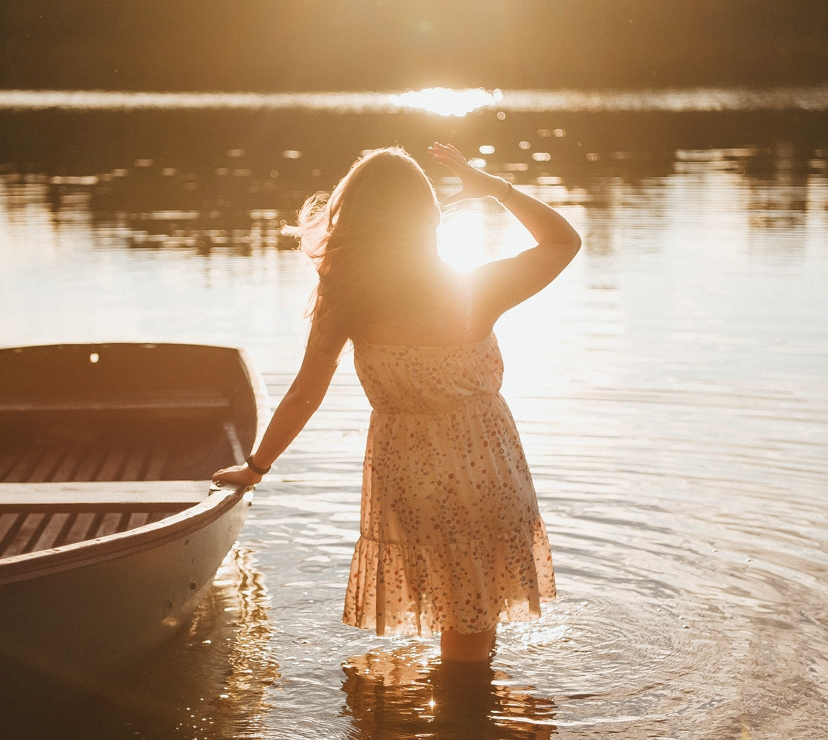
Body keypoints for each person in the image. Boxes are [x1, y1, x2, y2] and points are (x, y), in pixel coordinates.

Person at [213, 142, 582, 663]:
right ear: (426, 215)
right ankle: (468, 728)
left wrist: (256, 467)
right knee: (474, 626)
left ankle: (452, 729)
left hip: (411, 475)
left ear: (353, 217)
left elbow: (305, 392)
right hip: (489, 467)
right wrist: (493, 188)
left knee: (455, 620)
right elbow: (564, 241)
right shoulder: (473, 287)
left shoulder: (347, 297)